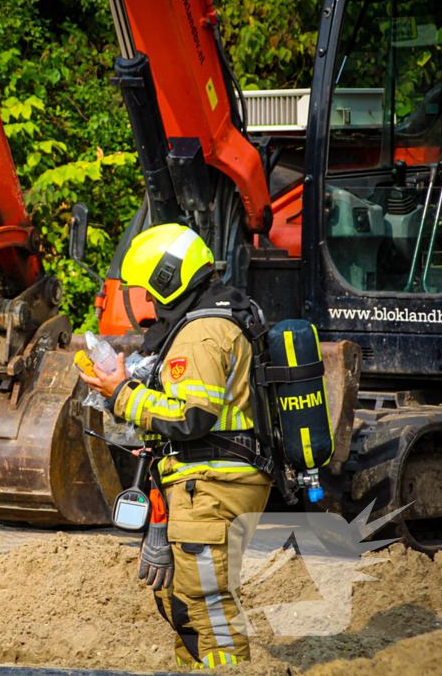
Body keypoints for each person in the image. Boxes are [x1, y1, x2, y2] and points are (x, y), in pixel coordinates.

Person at [81, 224, 272, 669]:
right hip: (202, 487)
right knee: (183, 603)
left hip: (212, 487)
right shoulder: (211, 318)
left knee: (208, 608)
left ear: (168, 280)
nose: (146, 302)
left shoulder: (201, 332)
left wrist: (121, 394)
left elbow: (191, 416)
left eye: (148, 291)